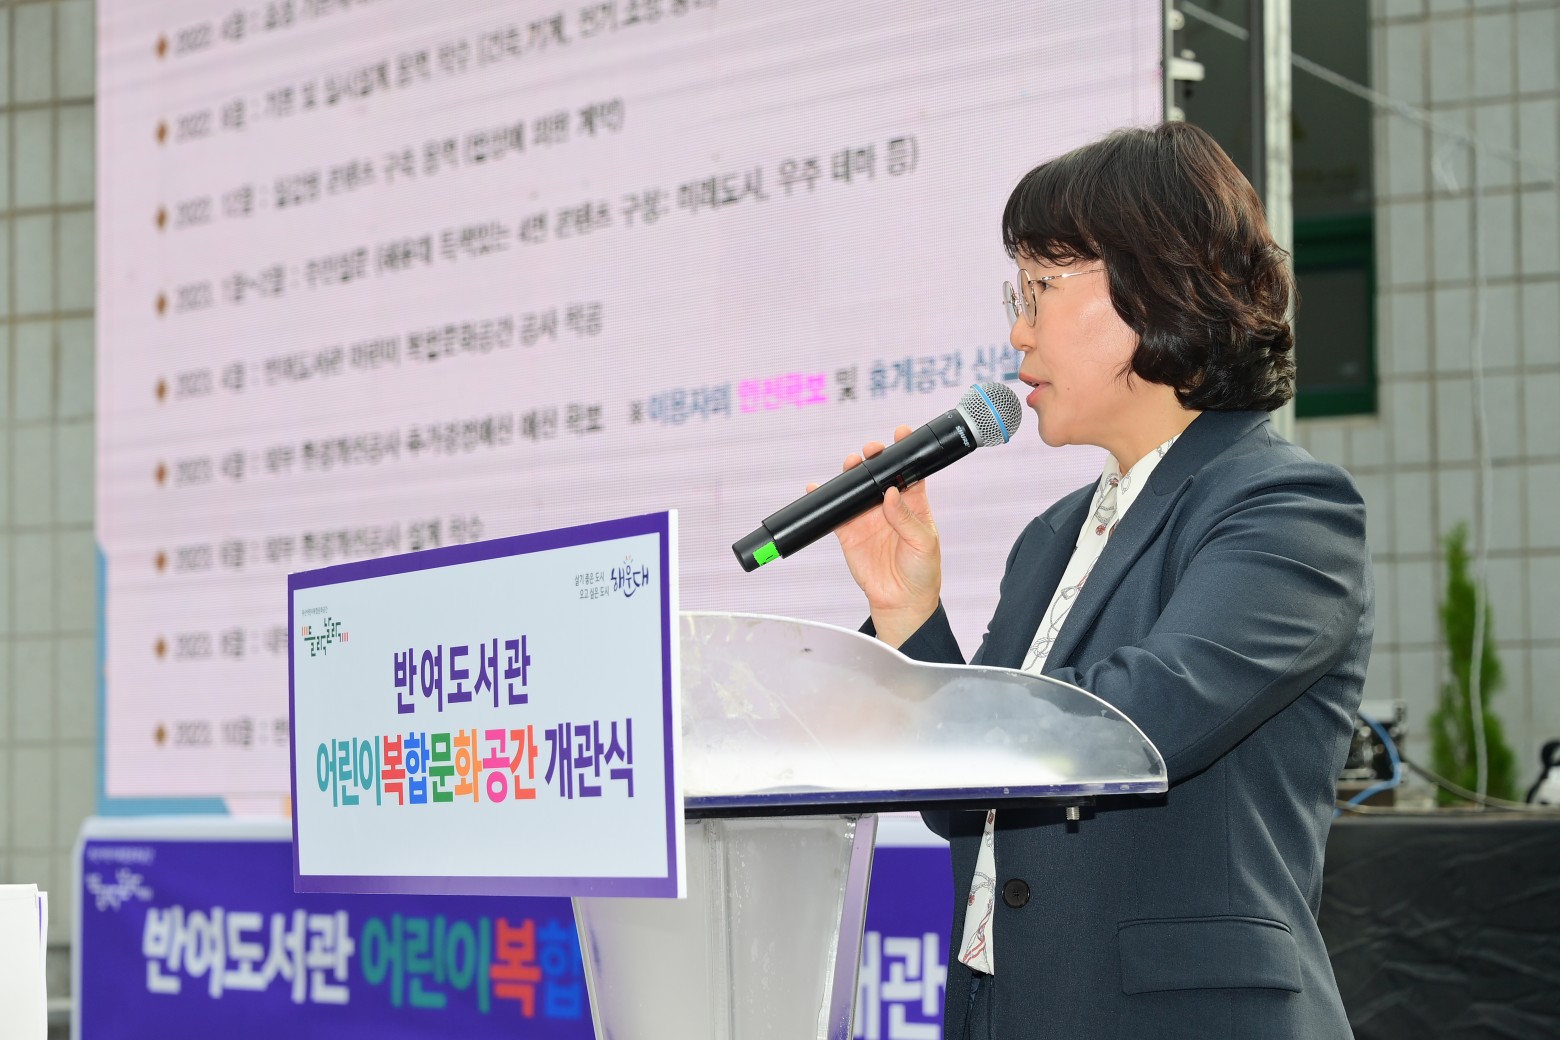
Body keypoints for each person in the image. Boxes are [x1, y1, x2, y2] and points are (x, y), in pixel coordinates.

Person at [827, 123, 1373, 1039]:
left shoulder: (1286, 506)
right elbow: (959, 800)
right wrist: (908, 613)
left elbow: (1140, 719)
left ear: (1154, 285)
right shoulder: (1051, 537)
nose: (1017, 329)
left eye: (1039, 289)